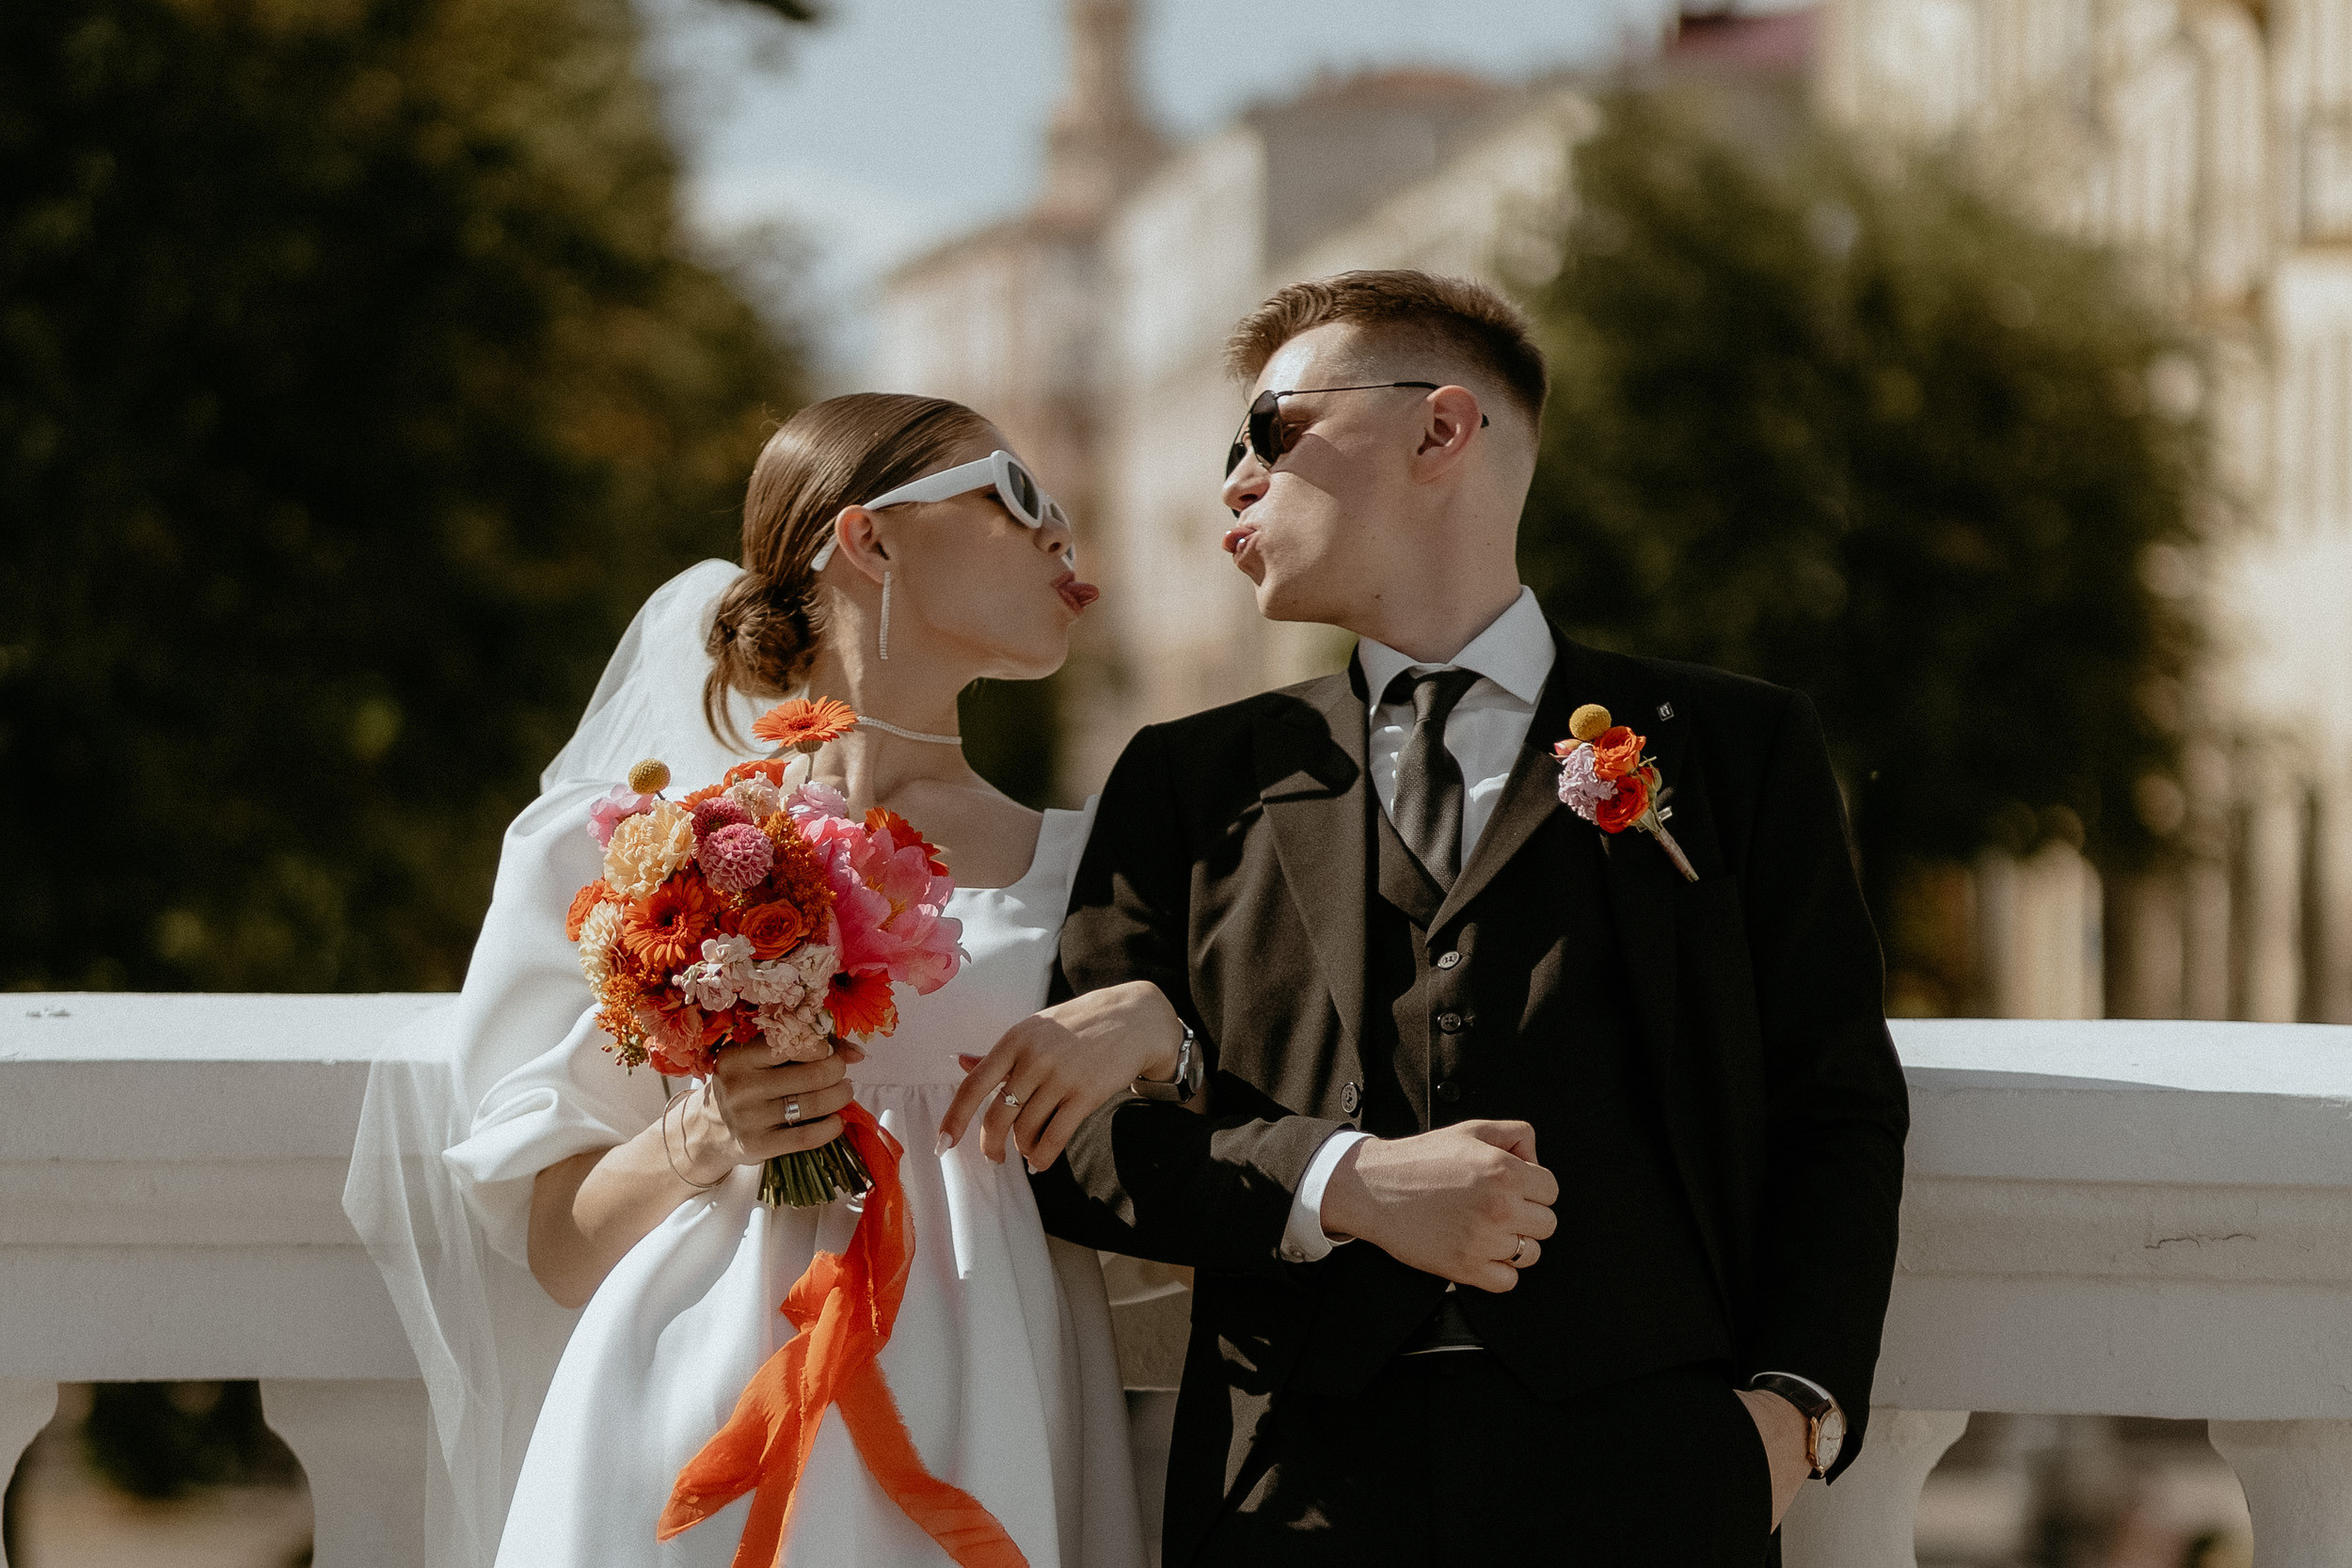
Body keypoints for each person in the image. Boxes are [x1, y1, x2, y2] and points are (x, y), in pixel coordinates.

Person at [1029, 271, 1911, 1566]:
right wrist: (1342, 1181)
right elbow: (1075, 1138)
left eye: (1267, 433)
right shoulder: (1184, 776)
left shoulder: (1736, 748)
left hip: (1650, 1493)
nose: (1231, 483)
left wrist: (1795, 1409)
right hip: (1287, 1495)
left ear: (1442, 430)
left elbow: (1833, 1101)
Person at [398, 392, 1191, 1568]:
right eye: (1017, 497)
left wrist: (1160, 1031)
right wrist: (705, 1131)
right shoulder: (640, 850)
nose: (1061, 537)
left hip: (995, 1407)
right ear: (869, 537)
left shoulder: (1101, 865)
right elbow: (561, 1250)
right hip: (697, 1394)